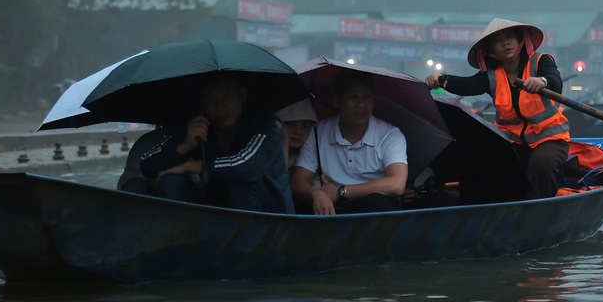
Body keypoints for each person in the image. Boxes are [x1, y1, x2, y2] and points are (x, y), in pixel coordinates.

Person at [424, 17, 570, 199]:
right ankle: (497, 206)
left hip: (550, 138)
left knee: (541, 164)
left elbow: (555, 80)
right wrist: (442, 79)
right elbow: (467, 85)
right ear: (490, 50)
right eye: (497, 41)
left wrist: (542, 81)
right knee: (487, 162)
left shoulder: (541, 61)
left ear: (520, 40)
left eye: (509, 37)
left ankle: (539, 210)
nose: (505, 43)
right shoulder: (492, 76)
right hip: (512, 141)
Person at [129, 76, 295, 214]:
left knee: (241, 187)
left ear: (242, 95)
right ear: (202, 103)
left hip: (270, 212)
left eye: (227, 96)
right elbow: (147, 164)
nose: (220, 106)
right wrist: (186, 144)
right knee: (171, 181)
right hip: (218, 209)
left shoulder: (267, 125)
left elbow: (246, 168)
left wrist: (192, 166)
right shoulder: (198, 125)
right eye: (211, 99)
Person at [290, 70, 408, 214]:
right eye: (353, 97)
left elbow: (396, 184)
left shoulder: (390, 135)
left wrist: (341, 191)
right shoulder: (319, 132)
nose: (361, 105)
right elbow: (297, 181)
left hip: (374, 211)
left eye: (367, 97)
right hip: (332, 208)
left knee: (377, 202)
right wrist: (316, 194)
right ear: (337, 101)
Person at [275, 98, 318, 168]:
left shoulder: (312, 160)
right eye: (291, 123)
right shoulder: (265, 155)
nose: (297, 131)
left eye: (305, 126)